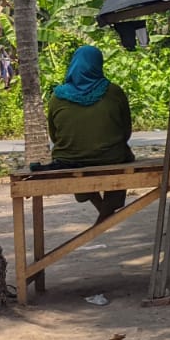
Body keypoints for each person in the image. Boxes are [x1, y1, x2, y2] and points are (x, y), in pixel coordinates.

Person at [41, 46, 133, 219]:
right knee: (123, 158)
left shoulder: (57, 96)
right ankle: (106, 215)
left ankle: (103, 216)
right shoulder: (113, 91)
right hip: (111, 157)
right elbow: (126, 130)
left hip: (69, 160)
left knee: (74, 161)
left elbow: (54, 135)